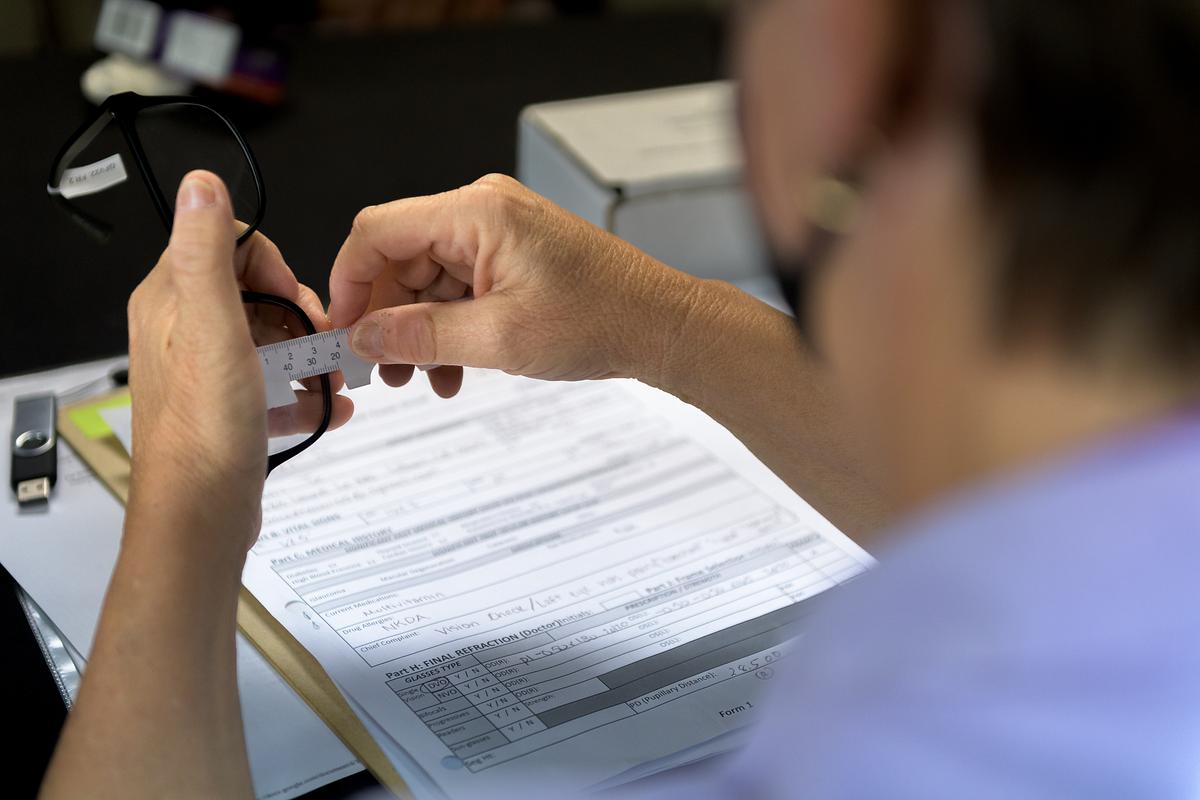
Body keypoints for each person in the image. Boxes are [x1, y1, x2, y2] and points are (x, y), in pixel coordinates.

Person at [38, 0, 1200, 797]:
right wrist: (664, 322)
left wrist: (185, 497)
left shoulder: (912, 728)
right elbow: (1014, 518)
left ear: (860, 54)